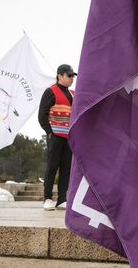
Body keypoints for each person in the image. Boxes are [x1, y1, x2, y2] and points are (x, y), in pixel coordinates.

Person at [38, 64, 76, 211]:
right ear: (60, 76)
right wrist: (49, 132)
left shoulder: (73, 94)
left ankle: (61, 200)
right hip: (55, 136)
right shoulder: (50, 91)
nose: (71, 78)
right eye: (69, 75)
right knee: (52, 166)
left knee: (66, 169)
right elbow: (42, 115)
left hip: (68, 137)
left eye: (73, 76)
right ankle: (47, 198)